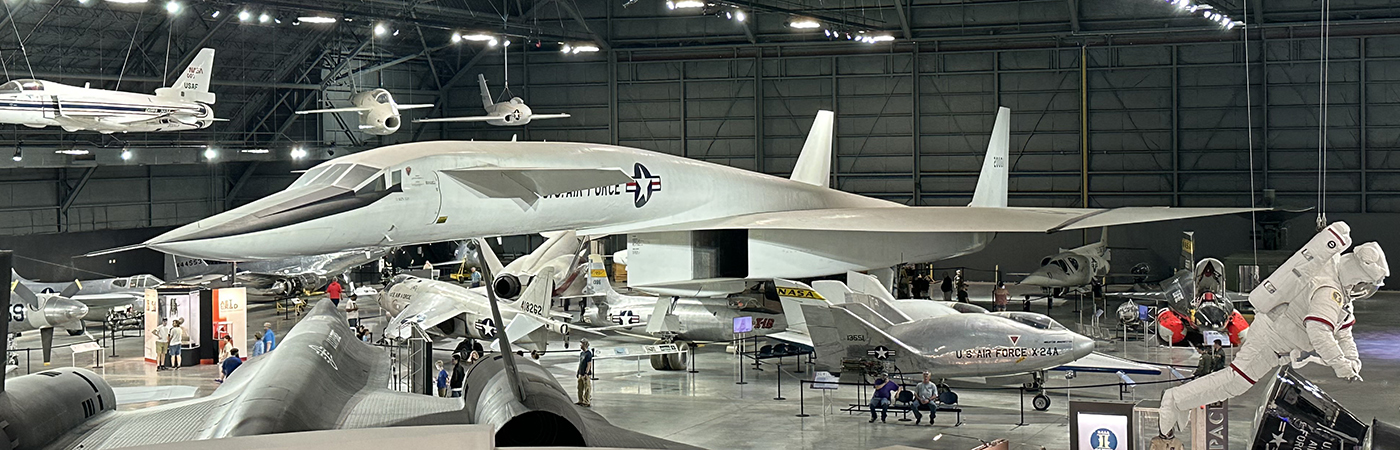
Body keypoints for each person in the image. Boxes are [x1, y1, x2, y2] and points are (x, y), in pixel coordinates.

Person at [1157, 225, 1387, 437]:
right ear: (1357, 275)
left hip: (1275, 339)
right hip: (1270, 339)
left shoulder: (1334, 277)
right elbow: (1319, 332)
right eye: (1364, 284)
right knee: (1235, 380)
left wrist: (1352, 359)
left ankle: (1182, 401)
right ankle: (1175, 400)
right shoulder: (1329, 292)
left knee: (1236, 383)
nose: (1362, 290)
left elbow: (1343, 331)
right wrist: (1340, 363)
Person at [576, 339, 595, 407]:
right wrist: (578, 372)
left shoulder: (588, 353)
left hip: (586, 374)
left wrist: (586, 373)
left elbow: (589, 364)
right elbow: (580, 363)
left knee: (587, 388)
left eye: (581, 344)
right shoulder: (582, 353)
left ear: (584, 344)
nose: (580, 345)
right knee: (580, 388)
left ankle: (587, 401)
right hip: (580, 374)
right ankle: (580, 400)